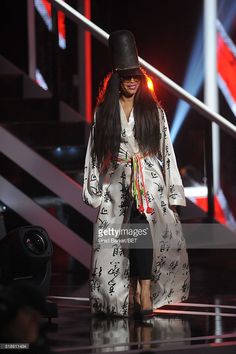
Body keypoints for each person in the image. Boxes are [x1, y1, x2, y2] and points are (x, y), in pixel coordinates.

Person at [83, 30, 190, 317]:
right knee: (117, 238)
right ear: (117, 79)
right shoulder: (104, 113)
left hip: (148, 180)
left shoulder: (152, 111)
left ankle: (143, 291)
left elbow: (167, 150)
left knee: (142, 229)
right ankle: (128, 290)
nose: (132, 81)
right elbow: (94, 152)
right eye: (127, 76)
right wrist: (93, 189)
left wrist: (174, 191)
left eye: (136, 77)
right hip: (118, 181)